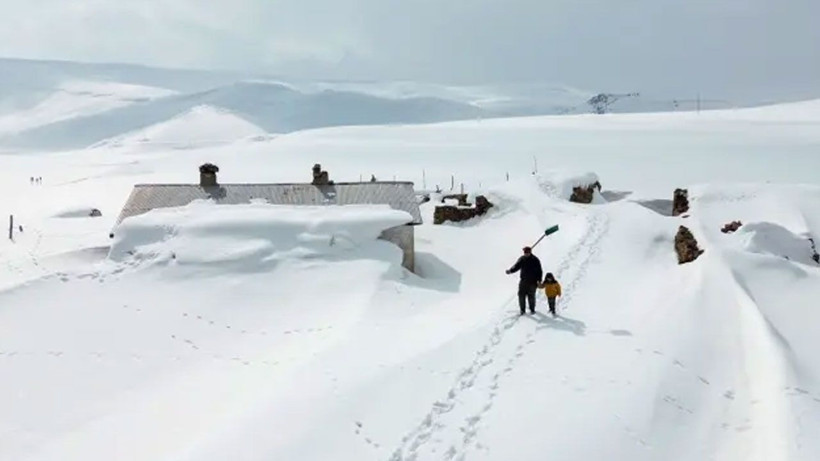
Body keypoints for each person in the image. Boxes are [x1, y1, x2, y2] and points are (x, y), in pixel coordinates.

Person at [506, 246, 543, 315]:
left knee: (531, 296)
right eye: (525, 253)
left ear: (530, 252)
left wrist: (539, 280)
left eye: (527, 253)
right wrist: (510, 271)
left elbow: (539, 271)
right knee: (521, 295)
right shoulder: (522, 259)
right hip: (523, 281)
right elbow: (516, 266)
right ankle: (522, 310)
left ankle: (532, 309)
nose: (526, 254)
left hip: (533, 282)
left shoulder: (535, 260)